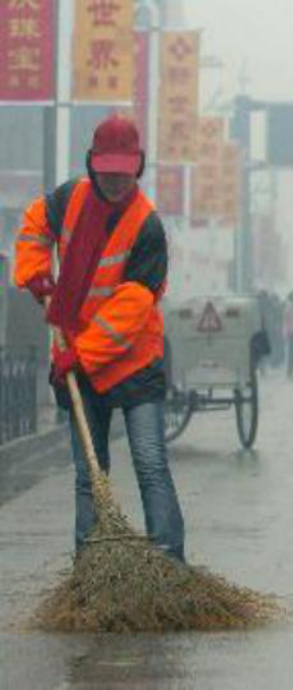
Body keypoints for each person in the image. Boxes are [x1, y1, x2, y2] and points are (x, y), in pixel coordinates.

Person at [13, 115, 185, 562]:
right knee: (90, 474)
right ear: (93, 164)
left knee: (150, 464)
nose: (114, 181)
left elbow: (129, 310)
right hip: (77, 360)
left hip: (132, 362)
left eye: (123, 173)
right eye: (106, 171)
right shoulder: (70, 198)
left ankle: (169, 562)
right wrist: (35, 273)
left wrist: (81, 355)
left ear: (138, 168)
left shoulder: (147, 227)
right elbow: (35, 223)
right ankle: (89, 567)